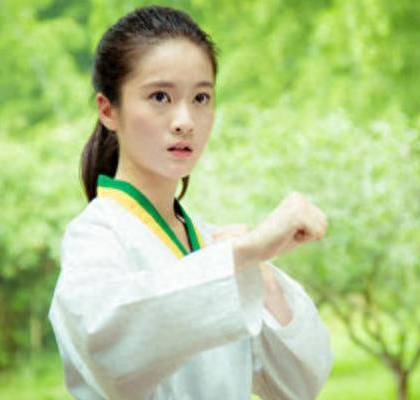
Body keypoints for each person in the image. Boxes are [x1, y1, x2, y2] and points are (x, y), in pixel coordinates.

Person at [48, 5, 332, 400]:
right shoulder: (95, 236)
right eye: (160, 96)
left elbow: (298, 385)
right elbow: (107, 348)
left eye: (201, 97)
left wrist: (260, 270)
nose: (185, 120)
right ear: (108, 110)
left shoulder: (209, 240)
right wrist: (245, 252)